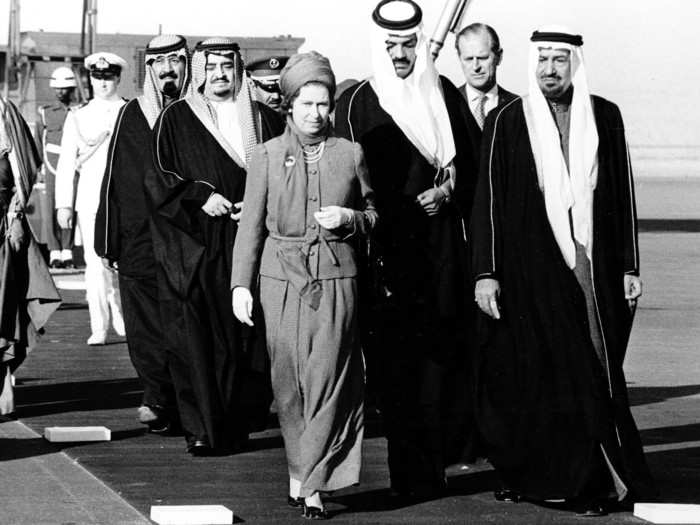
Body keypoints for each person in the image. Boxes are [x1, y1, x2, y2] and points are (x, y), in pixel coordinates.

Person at [470, 27, 657, 515]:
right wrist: (485, 272)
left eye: (559, 60)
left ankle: (595, 481)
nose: (550, 69)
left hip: (590, 268)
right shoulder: (507, 121)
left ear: (574, 62)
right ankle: (536, 475)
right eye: (543, 60)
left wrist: (630, 265)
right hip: (527, 272)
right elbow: (486, 203)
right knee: (533, 376)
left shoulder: (605, 116)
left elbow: (623, 193)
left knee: (592, 365)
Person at [335, 0, 480, 499]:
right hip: (386, 257)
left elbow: (473, 164)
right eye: (391, 46)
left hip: (441, 254)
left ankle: (434, 467)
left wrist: (447, 191)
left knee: (441, 360)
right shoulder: (357, 103)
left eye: (408, 45)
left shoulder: (443, 93)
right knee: (396, 367)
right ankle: (409, 475)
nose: (400, 55)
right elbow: (344, 181)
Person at [232, 51, 376, 520]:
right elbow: (249, 226)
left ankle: (312, 483)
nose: (317, 114)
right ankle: (300, 470)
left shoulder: (351, 154)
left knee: (328, 380)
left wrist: (351, 218)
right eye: (308, 104)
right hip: (281, 281)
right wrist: (240, 285)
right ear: (289, 104)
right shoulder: (268, 156)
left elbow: (375, 216)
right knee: (289, 383)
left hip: (338, 280)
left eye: (324, 104)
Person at [149, 37, 283, 455]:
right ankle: (203, 428)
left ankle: (239, 424)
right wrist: (201, 196)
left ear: (239, 70)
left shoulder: (264, 119)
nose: (220, 74)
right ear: (200, 71)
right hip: (200, 244)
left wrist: (261, 205)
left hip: (251, 241)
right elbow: (160, 178)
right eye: (211, 67)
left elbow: (284, 170)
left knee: (247, 335)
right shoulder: (176, 118)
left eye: (227, 65)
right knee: (202, 337)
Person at [94, 35, 190, 433]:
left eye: (176, 61)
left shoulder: (199, 114)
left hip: (189, 241)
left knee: (188, 326)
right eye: (160, 62)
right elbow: (114, 177)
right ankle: (156, 398)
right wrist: (108, 238)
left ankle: (191, 403)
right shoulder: (133, 114)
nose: (168, 69)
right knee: (146, 327)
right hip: (140, 241)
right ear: (148, 69)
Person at [55, 52, 127, 346]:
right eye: (98, 77)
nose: (103, 83)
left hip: (124, 202)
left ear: (118, 78)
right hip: (90, 201)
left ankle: (124, 316)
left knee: (126, 264)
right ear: (90, 79)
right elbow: (66, 163)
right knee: (95, 267)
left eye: (108, 77)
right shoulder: (79, 115)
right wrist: (64, 204)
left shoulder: (130, 111)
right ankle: (100, 325)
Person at [0, 97, 61, 414]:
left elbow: (22, 168)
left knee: (1, 312)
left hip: (0, 227)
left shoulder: (4, 113)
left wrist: (15, 215)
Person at [30, 66, 80, 268]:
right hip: (51, 165)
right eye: (58, 88)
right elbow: (38, 142)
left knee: (68, 206)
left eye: (65, 88)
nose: (61, 92)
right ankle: (54, 252)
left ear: (72, 89)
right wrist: (39, 168)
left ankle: (67, 251)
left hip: (73, 165)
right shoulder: (45, 113)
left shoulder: (79, 111)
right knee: (50, 207)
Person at [455, 23, 517, 130]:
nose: (476, 67)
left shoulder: (517, 106)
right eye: (469, 59)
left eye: (482, 58)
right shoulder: (447, 104)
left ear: (499, 57)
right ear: (459, 59)